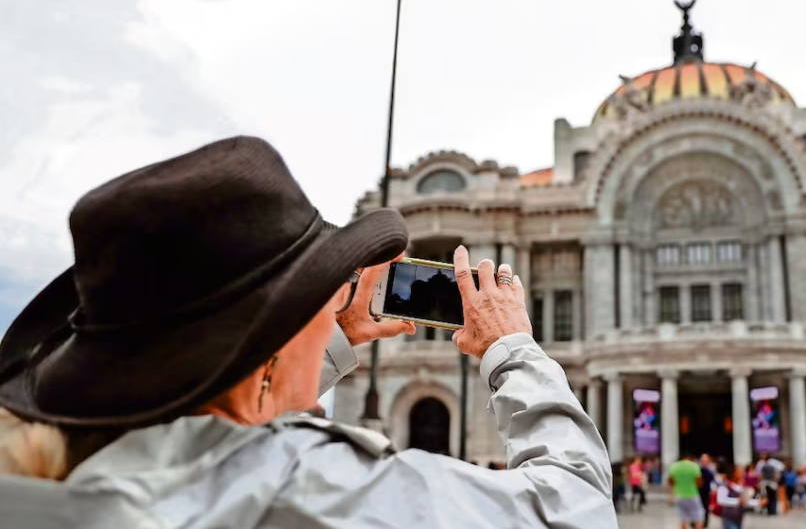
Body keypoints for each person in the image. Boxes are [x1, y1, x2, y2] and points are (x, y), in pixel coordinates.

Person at [0, 137, 616, 528]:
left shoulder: (46, 480)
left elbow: (224, 409)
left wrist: (323, 341)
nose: (332, 306)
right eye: (318, 296)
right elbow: (577, 510)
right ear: (267, 353)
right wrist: (513, 349)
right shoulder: (305, 489)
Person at [669, 453, 705, 529]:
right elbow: (699, 483)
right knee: (699, 516)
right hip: (692, 494)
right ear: (689, 458)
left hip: (679, 495)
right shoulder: (694, 466)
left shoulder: (674, 466)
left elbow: (671, 482)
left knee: (683, 517)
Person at [715, 463, 748, 529]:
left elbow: (745, 501)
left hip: (738, 518)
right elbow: (720, 500)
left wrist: (758, 502)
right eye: (739, 472)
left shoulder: (741, 486)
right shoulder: (725, 486)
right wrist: (737, 501)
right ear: (733, 473)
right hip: (728, 518)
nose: (742, 474)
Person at [699, 454, 717, 526]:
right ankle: (697, 522)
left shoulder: (711, 470)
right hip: (698, 492)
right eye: (703, 460)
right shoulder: (697, 469)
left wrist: (713, 489)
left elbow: (714, 480)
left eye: (705, 460)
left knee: (706, 507)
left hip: (707, 492)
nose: (704, 462)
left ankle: (705, 523)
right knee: (698, 507)